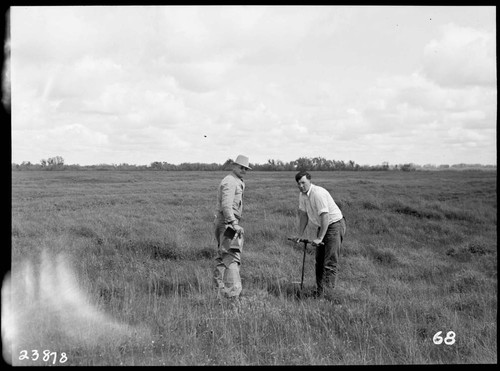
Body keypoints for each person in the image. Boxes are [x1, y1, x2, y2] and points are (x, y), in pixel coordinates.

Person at [294, 171, 346, 298]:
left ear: (310, 181)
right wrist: (299, 235)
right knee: (319, 262)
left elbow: (325, 216)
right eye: (298, 183)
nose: (301, 186)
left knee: (330, 263)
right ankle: (320, 292)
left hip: (334, 225)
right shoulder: (302, 195)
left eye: (303, 183)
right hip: (322, 226)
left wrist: (320, 238)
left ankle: (328, 296)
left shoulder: (318, 193)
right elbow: (304, 215)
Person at [213, 155, 251, 306]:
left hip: (228, 222)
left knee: (224, 255)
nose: (243, 170)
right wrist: (234, 223)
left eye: (246, 168)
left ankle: (220, 291)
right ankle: (233, 296)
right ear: (234, 166)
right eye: (241, 167)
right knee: (232, 256)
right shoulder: (230, 181)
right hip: (228, 223)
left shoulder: (237, 180)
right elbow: (226, 205)